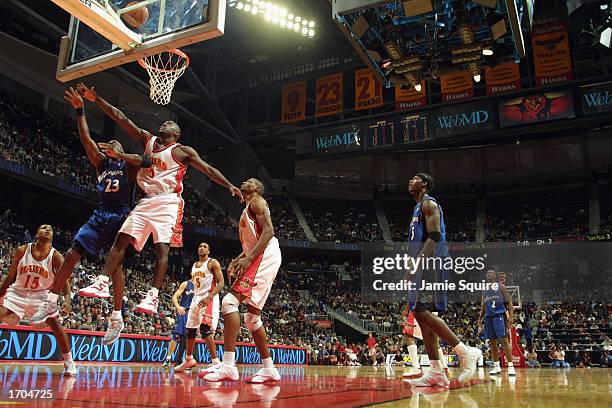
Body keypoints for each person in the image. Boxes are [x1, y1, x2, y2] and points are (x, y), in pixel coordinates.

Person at [74, 83, 242, 345]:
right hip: (146, 199)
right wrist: (96, 99)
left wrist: (230, 185)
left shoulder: (182, 151)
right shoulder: (149, 140)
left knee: (162, 249)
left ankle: (153, 294)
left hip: (168, 202)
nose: (164, 123)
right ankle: (102, 281)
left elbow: (208, 170)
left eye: (169, 124)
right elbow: (121, 118)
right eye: (163, 122)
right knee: (121, 238)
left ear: (176, 133)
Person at [31, 88, 138, 341]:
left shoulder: (128, 167)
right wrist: (80, 109)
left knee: (116, 268)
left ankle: (117, 317)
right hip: (101, 213)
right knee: (71, 254)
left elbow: (143, 160)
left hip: (121, 215)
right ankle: (51, 300)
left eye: (116, 145)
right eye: (109, 145)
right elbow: (85, 138)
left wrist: (120, 153)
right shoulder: (101, 164)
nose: (111, 146)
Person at [200, 178, 282, 383]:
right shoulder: (247, 207)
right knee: (252, 318)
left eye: (251, 180)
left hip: (266, 254)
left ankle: (228, 365)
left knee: (229, 302)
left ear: (256, 189)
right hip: (264, 254)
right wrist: (240, 258)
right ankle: (269, 369)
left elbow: (269, 231)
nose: (246, 180)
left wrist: (249, 258)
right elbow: (254, 241)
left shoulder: (257, 201)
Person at [404, 173, 482, 387]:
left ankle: (465, 352)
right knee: (420, 316)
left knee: (419, 309)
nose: (410, 181)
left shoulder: (429, 203)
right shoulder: (417, 207)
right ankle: (436, 371)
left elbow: (435, 236)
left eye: (415, 178)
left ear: (425, 184)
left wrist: (418, 263)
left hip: (433, 263)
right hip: (424, 264)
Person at [0, 225, 76, 376]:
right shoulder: (23, 250)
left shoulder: (55, 257)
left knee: (55, 324)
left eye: (50, 229)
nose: (47, 229)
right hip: (17, 292)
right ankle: (14, 316)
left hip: (40, 296)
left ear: (52, 236)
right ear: (36, 233)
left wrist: (67, 301)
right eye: (43, 228)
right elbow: (11, 276)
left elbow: (65, 282)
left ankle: (69, 362)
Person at [174, 242, 224, 372]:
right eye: (200, 246)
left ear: (208, 251)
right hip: (196, 298)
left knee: (205, 328)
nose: (201, 248)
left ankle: (215, 361)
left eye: (205, 246)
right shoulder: (194, 266)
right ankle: (189, 359)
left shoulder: (213, 263)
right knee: (190, 330)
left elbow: (221, 282)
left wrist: (210, 296)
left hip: (208, 297)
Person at [478, 269, 515, 376]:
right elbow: (484, 305)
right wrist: (480, 318)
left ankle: (510, 366)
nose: (488, 274)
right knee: (492, 342)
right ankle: (496, 366)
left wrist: (511, 316)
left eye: (491, 273)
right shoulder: (485, 289)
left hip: (499, 316)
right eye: (487, 273)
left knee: (504, 340)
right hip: (488, 317)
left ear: (495, 276)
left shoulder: (501, 287)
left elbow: (509, 301)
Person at [163, 272, 196, 368]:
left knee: (185, 338)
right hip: (183, 312)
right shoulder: (186, 284)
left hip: (192, 314)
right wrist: (178, 307)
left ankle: (180, 361)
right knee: (176, 335)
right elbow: (174, 297)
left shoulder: (200, 287)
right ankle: (168, 359)